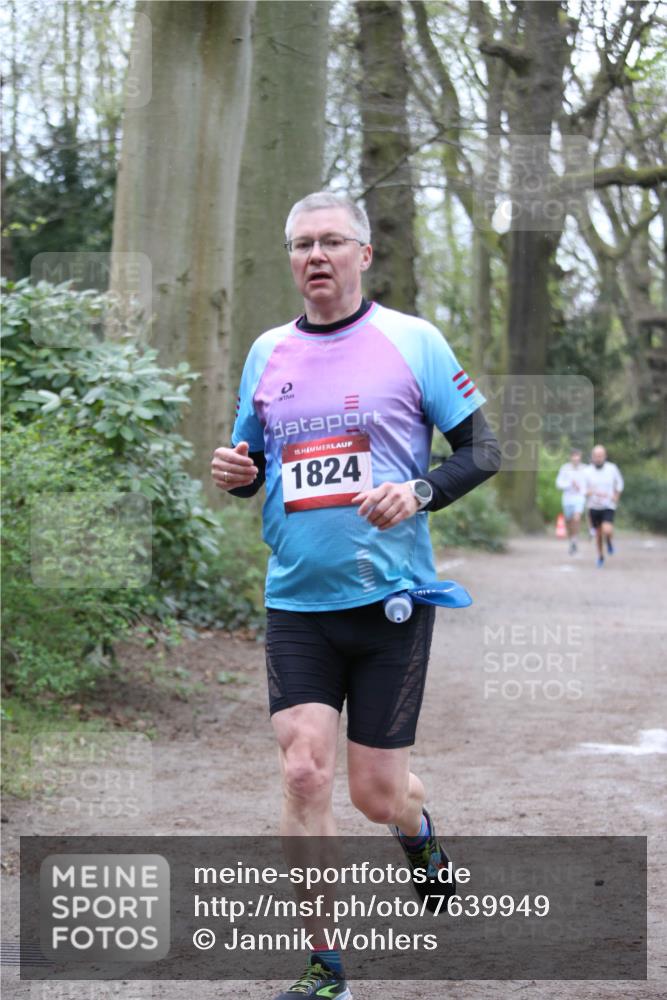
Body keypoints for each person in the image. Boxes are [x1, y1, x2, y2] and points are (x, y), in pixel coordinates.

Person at [211, 191, 501, 1000]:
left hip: (391, 603)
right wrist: (240, 474)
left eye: (331, 241)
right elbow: (254, 461)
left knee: (377, 796)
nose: (315, 255)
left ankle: (418, 834)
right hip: (296, 601)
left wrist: (418, 491)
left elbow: (483, 448)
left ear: (362, 254)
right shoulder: (267, 350)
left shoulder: (412, 340)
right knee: (303, 770)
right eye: (301, 243)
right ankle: (324, 963)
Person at [585, 444, 624, 568]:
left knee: (607, 529)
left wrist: (616, 496)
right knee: (598, 535)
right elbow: (581, 488)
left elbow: (620, 483)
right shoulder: (587, 471)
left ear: (605, 456)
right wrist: (587, 492)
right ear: (592, 457)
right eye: (596, 456)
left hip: (608, 505)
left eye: (600, 455)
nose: (598, 458)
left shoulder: (612, 468)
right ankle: (600, 556)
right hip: (594, 506)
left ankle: (609, 541)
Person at [555, 448, 588, 554]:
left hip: (579, 498)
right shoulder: (565, 468)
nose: (576, 459)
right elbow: (558, 484)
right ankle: (572, 540)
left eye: (578, 456)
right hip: (567, 499)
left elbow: (588, 485)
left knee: (577, 518)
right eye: (574, 456)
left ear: (580, 457)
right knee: (568, 522)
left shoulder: (585, 469)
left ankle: (575, 539)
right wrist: (570, 484)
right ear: (571, 457)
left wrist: (582, 490)